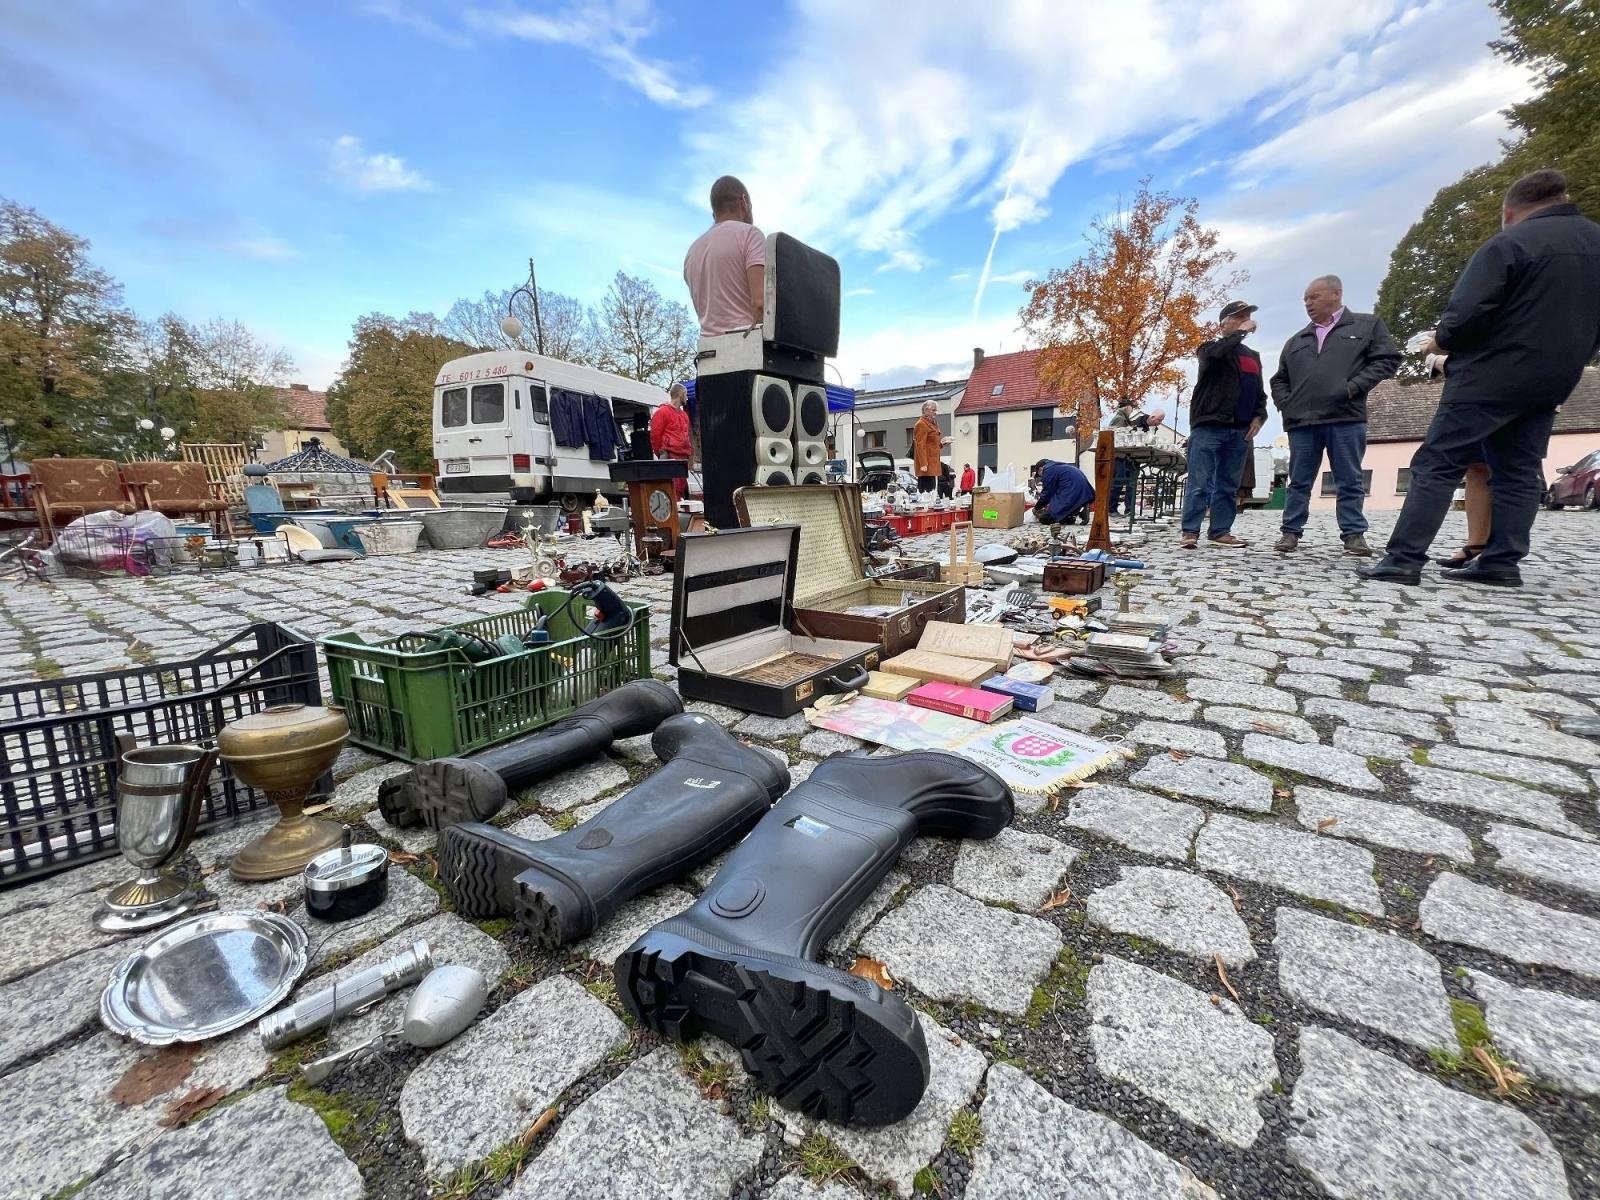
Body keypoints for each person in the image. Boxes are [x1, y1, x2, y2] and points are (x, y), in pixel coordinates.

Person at [1358, 169, 1600, 587]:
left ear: (1510, 211)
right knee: (1520, 468)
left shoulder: (1510, 244)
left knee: (1437, 462)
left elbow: (1467, 315)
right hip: (1554, 378)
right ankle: (1501, 562)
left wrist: (1440, 342)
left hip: (1490, 376)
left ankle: (1403, 559)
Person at [1270, 274, 1401, 555]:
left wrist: (1353, 388)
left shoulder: (1367, 326)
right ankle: (1290, 532)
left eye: (1313, 297)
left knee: (1349, 478)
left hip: (1346, 417)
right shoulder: (1297, 340)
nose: (1308, 303)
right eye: (1305, 299)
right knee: (1299, 481)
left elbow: (1387, 360)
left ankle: (1353, 534)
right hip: (1302, 422)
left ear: (1336, 294)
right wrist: (1287, 403)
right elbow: (1279, 379)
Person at [1180, 300, 1266, 549]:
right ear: (1224, 324)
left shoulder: (1253, 357)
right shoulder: (1209, 349)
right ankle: (1190, 531)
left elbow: (1260, 393)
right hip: (1208, 425)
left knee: (1228, 484)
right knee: (1199, 482)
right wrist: (1240, 333)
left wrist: (1259, 417)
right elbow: (1216, 355)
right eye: (1239, 317)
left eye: (1247, 316)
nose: (1245, 320)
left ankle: (1220, 531)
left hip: (1240, 429)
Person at [683, 176, 765, 336]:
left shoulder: (692, 251)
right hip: (745, 347)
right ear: (744, 202)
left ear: (714, 214)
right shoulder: (750, 234)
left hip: (707, 353)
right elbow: (760, 304)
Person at [650, 382, 694, 498]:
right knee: (670, 489)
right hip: (670, 455)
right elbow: (655, 436)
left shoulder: (684, 415)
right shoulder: (662, 412)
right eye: (686, 395)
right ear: (681, 394)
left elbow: (687, 435)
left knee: (680, 489)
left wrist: (689, 453)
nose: (687, 398)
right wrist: (661, 453)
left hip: (682, 456)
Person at [1032, 459, 1095, 535]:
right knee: (1060, 512)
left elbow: (1047, 494)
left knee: (1046, 518)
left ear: (1040, 469)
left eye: (1040, 475)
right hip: (1085, 492)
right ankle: (1078, 514)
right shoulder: (1059, 466)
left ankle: (1073, 515)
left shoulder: (1048, 471)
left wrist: (1036, 508)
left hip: (1072, 492)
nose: (1042, 477)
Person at [912, 400, 944, 492]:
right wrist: (923, 463)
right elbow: (920, 445)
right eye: (933, 410)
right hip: (926, 464)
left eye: (936, 410)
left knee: (932, 489)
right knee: (927, 490)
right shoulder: (921, 424)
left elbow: (931, 443)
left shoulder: (932, 423)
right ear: (926, 410)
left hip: (932, 461)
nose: (935, 413)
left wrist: (942, 443)